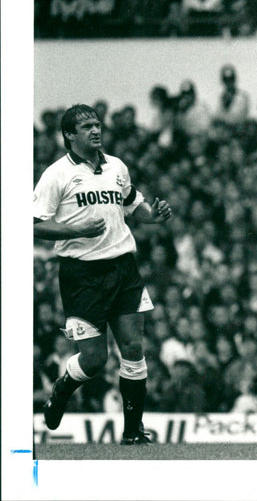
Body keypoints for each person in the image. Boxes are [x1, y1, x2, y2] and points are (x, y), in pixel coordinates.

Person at [33, 104, 172, 445]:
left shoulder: (116, 166)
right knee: (95, 359)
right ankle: (64, 387)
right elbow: (35, 223)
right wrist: (74, 228)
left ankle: (133, 431)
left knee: (134, 346)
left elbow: (132, 202)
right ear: (69, 135)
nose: (96, 131)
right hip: (81, 274)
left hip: (123, 267)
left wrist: (152, 216)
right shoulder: (57, 174)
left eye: (97, 125)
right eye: (87, 127)